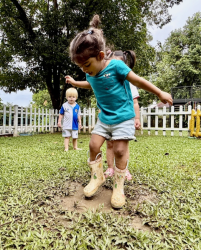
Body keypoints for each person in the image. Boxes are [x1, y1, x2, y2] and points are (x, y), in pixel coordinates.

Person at [65, 15, 173, 208]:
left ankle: (118, 187)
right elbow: (90, 84)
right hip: (104, 117)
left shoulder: (116, 66)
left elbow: (137, 80)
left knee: (120, 150)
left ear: (99, 56)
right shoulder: (92, 73)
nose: (85, 70)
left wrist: (159, 92)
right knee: (93, 145)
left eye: (87, 65)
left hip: (123, 117)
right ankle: (97, 177)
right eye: (80, 67)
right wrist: (75, 83)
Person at [104, 50, 140, 179]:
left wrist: (137, 118)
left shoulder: (129, 82)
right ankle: (110, 167)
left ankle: (123, 169)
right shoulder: (106, 81)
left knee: (122, 146)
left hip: (124, 119)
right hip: (108, 118)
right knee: (109, 144)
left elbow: (135, 102)